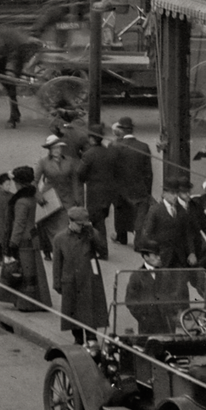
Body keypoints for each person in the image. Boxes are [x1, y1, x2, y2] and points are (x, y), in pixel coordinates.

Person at [52, 206, 107, 343]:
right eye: (79, 224)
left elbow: (103, 249)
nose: (81, 227)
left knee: (90, 311)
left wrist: (93, 232)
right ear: (70, 221)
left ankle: (91, 337)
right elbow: (57, 263)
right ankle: (78, 339)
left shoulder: (89, 235)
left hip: (89, 279)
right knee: (73, 313)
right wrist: (57, 282)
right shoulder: (60, 238)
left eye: (84, 224)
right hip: (71, 281)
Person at [4, 166, 52, 312]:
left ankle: (26, 303)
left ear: (19, 183)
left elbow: (19, 224)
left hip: (23, 240)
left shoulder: (21, 201)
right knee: (34, 270)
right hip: (33, 236)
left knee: (25, 272)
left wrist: (12, 243)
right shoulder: (32, 196)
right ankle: (38, 300)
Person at [112, 116, 153, 247]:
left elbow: (111, 169)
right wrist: (148, 190)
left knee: (120, 211)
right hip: (139, 186)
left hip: (120, 187)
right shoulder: (143, 147)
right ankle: (138, 239)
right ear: (132, 130)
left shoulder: (115, 146)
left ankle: (121, 236)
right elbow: (148, 172)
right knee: (140, 213)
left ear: (121, 130)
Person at [78, 125, 124, 241]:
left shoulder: (88, 154)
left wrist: (86, 179)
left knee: (97, 222)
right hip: (108, 193)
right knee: (101, 219)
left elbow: (80, 173)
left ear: (91, 139)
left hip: (94, 193)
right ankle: (98, 245)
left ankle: (101, 247)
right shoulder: (109, 152)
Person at [35, 135, 78, 244]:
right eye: (53, 148)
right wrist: (39, 196)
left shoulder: (69, 161)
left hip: (67, 198)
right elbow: (34, 181)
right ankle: (53, 248)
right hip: (50, 199)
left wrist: (77, 198)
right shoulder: (43, 162)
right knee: (52, 227)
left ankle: (61, 248)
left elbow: (75, 181)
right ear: (49, 149)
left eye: (58, 147)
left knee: (65, 226)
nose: (56, 150)